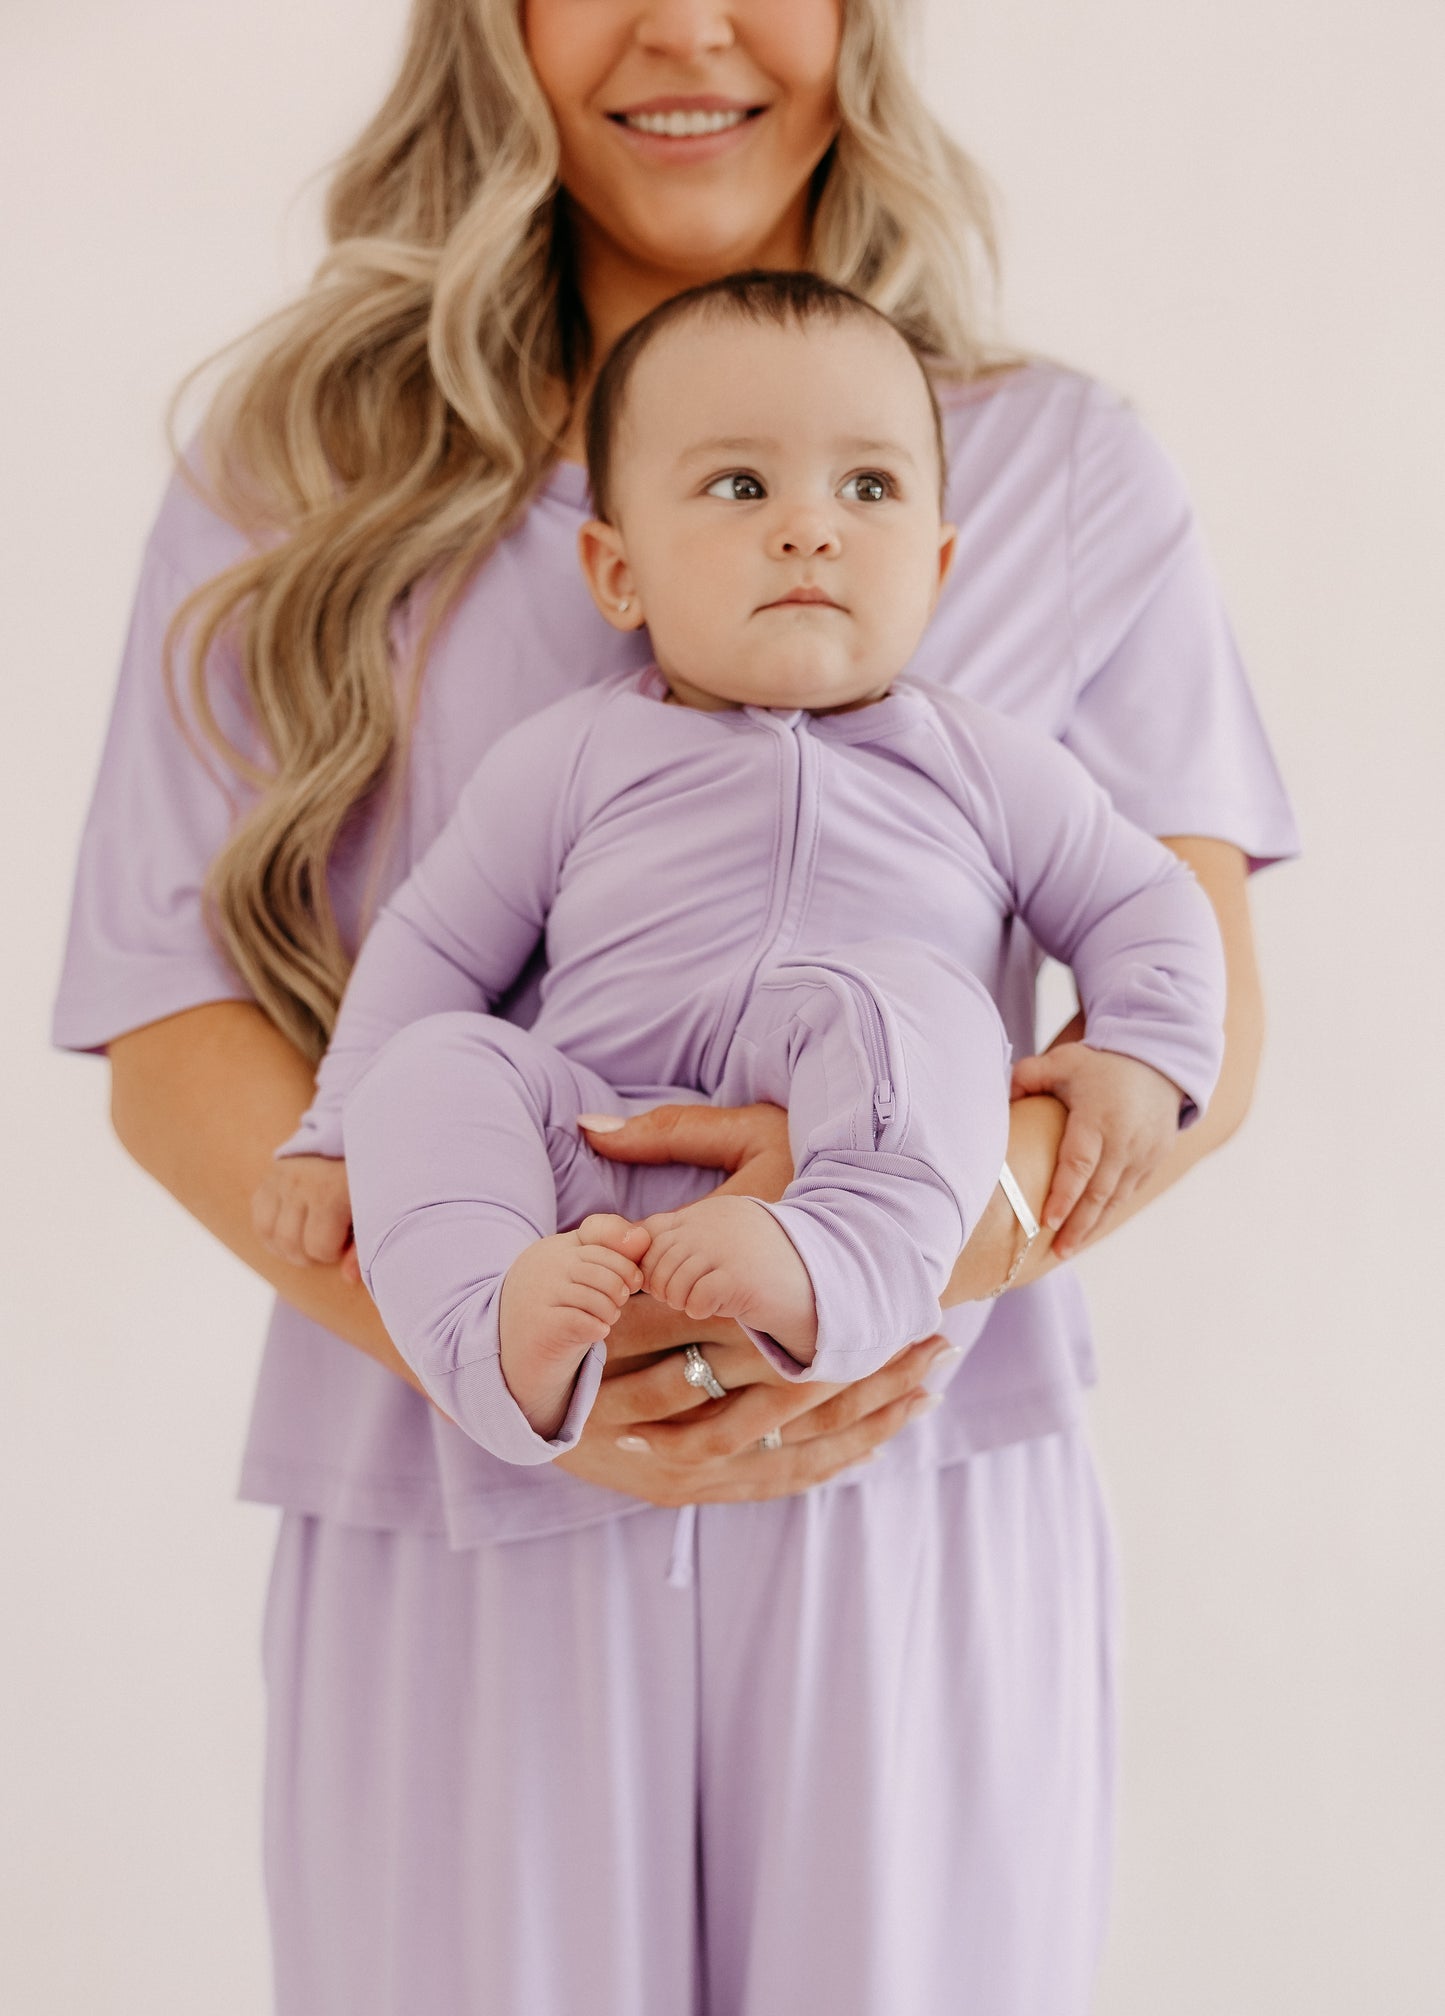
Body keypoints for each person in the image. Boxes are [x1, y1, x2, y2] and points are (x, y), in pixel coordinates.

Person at [50, 3, 1300, 2011]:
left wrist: (871, 1252)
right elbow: (172, 1019)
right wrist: (510, 1374)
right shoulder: (298, 474)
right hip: (454, 1487)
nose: (683, 28)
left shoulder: (1053, 468)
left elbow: (1185, 1012)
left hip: (910, 1468)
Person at [253, 270, 1228, 1457]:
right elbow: (435, 944)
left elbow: (1142, 897)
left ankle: (834, 1263)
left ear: (935, 562)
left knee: (910, 1004)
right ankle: (495, 1339)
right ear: (618, 571)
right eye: (738, 484)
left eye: (866, 486)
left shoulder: (979, 762)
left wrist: (1140, 1052)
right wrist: (338, 1128)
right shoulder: (569, 758)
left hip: (849, 1167)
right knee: (434, 1066)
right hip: (590, 1161)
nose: (808, 525)